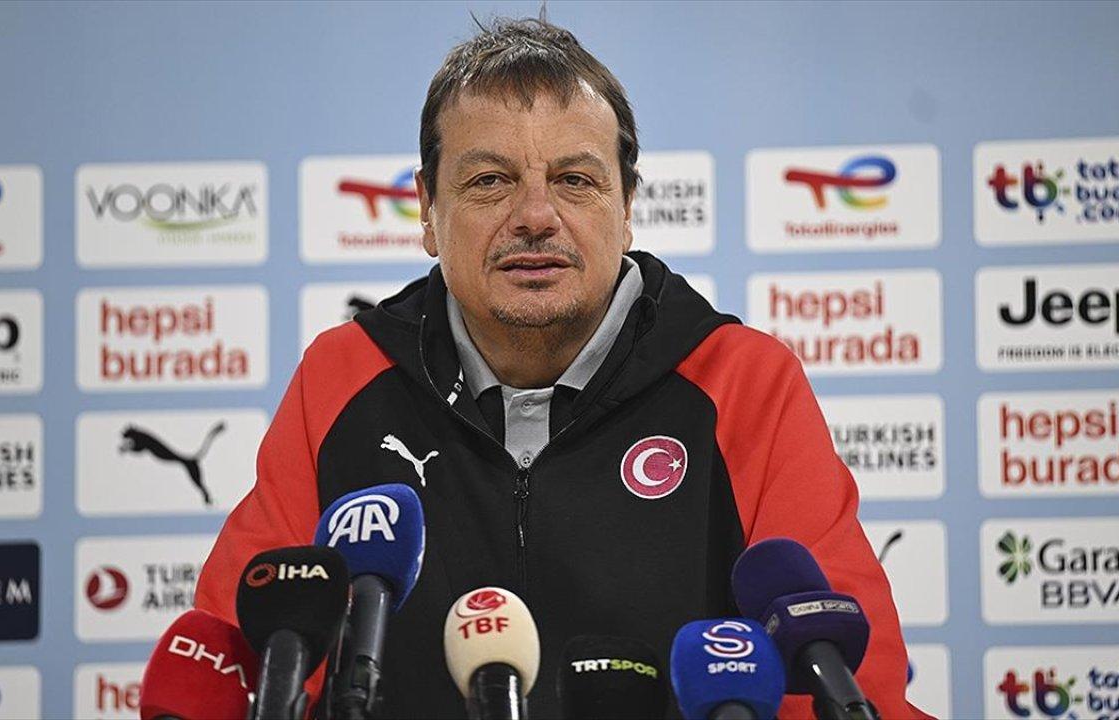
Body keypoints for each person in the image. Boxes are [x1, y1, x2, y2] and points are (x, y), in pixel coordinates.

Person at [195, 17, 929, 719]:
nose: (535, 216)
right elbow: (245, 653)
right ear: (425, 207)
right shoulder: (343, 377)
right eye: (490, 181)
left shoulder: (743, 383)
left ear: (628, 205)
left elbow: (844, 678)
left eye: (575, 180)